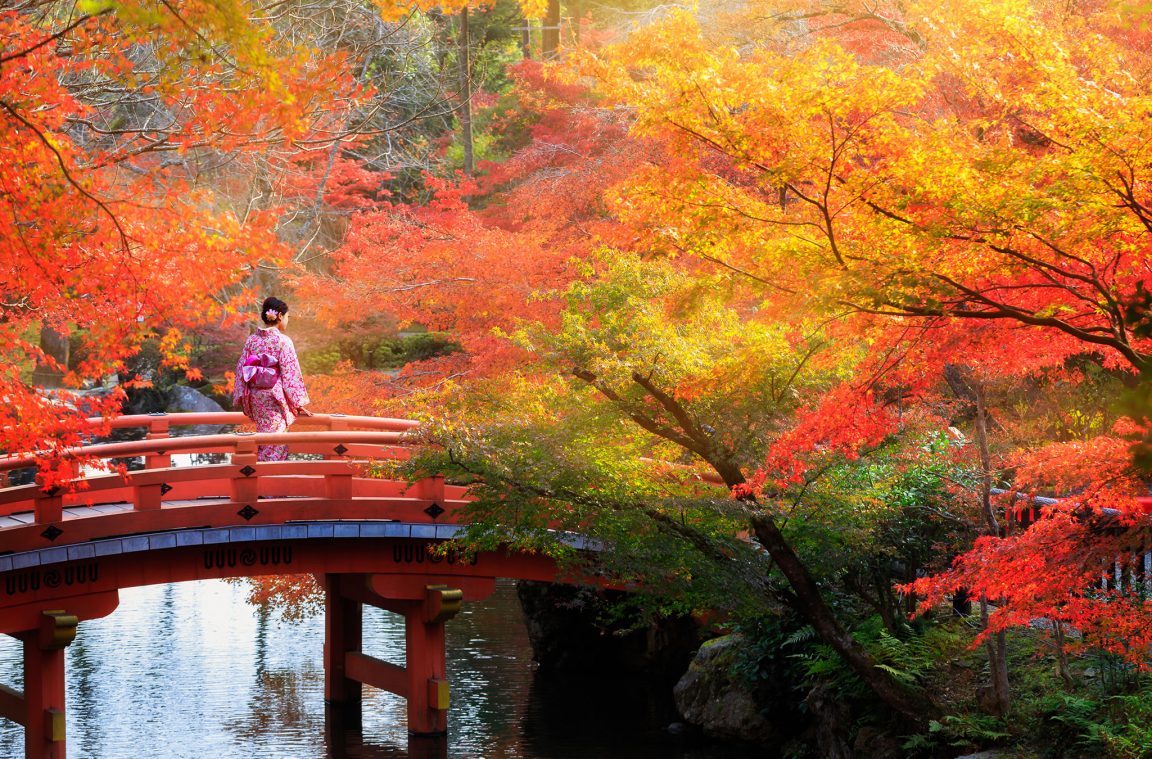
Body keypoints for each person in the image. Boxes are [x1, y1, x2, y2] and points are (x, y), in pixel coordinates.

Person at [233, 296, 313, 461]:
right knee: (275, 442)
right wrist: (298, 403)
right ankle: (270, 480)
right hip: (274, 398)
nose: (287, 321)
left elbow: (242, 370)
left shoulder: (251, 340)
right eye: (288, 317)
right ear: (280, 316)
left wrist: (242, 396)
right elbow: (291, 373)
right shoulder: (283, 341)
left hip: (256, 397)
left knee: (264, 440)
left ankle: (265, 477)